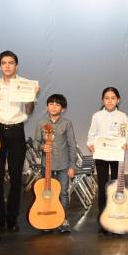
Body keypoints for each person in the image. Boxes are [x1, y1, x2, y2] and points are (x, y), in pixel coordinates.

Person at [0, 51, 39, 232]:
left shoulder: (25, 84)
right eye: (4, 63)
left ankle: (12, 219)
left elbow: (30, 110)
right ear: (0, 66)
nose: (7, 66)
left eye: (11, 63)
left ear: (17, 65)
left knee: (16, 177)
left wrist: (32, 96)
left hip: (17, 131)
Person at [86, 87, 128, 235]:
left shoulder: (123, 117)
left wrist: (127, 144)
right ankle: (103, 222)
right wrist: (91, 145)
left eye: (113, 98)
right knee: (102, 188)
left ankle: (116, 217)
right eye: (107, 98)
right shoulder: (97, 116)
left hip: (117, 156)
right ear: (102, 100)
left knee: (116, 188)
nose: (110, 100)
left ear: (118, 100)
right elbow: (91, 135)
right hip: (101, 155)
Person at [34, 94, 78, 233]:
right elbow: (36, 143)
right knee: (46, 193)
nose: (54, 107)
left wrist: (72, 166)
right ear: (47, 106)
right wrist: (42, 147)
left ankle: (62, 219)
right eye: (51, 104)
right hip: (46, 166)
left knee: (63, 193)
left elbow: (72, 145)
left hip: (63, 165)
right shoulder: (41, 123)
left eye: (57, 104)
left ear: (63, 109)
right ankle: (47, 218)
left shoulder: (67, 123)